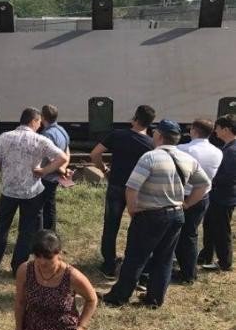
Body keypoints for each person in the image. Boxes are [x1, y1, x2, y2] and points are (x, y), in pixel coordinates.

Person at [101, 120, 210, 308]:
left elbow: (132, 186)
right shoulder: (187, 159)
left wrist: (133, 208)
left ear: (158, 136)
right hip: (176, 215)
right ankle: (154, 299)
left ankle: (119, 297)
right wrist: (187, 204)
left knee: (135, 256)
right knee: (164, 258)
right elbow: (204, 184)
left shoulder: (150, 157)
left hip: (151, 214)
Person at [0, 107, 69, 274]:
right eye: (38, 122)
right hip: (31, 192)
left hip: (8, 190)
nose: (40, 125)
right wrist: (44, 171)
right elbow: (63, 158)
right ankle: (18, 268)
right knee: (27, 230)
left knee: (2, 226)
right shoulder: (40, 140)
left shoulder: (4, 137)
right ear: (33, 121)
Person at [90, 104, 156, 278]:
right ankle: (133, 263)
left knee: (111, 225)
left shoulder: (117, 134)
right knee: (138, 227)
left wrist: (104, 170)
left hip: (116, 186)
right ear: (150, 123)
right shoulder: (151, 144)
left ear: (134, 118)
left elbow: (95, 154)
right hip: (138, 190)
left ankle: (109, 264)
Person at [174, 119, 222, 283]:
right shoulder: (217, 152)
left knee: (178, 234)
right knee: (191, 233)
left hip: (183, 195)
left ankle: (186, 273)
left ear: (194, 130)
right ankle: (189, 270)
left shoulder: (183, 149)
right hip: (203, 197)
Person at [198, 114, 236, 272]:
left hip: (224, 196)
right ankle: (206, 254)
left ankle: (224, 262)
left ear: (226, 129)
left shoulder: (231, 151)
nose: (215, 132)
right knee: (210, 225)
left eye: (218, 128)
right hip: (220, 195)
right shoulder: (229, 147)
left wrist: (210, 179)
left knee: (221, 229)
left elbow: (228, 176)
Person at [39, 104, 70, 232]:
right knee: (50, 205)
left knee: (45, 208)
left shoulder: (46, 135)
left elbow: (53, 159)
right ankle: (50, 234)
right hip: (55, 176)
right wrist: (64, 168)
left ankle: (47, 235)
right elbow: (67, 152)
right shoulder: (62, 130)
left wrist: (62, 170)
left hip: (47, 176)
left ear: (42, 117)